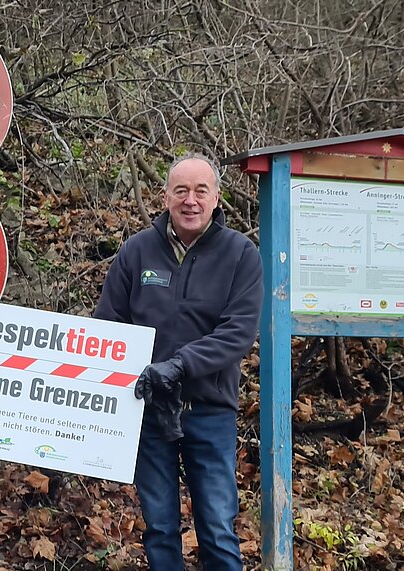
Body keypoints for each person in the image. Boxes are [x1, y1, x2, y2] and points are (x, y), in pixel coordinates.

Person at [94, 153, 263, 570]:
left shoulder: (241, 255)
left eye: (201, 191)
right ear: (166, 196)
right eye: (181, 191)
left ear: (216, 198)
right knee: (160, 528)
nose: (191, 200)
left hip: (209, 412)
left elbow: (236, 334)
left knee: (218, 530)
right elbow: (107, 324)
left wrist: (179, 365)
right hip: (148, 413)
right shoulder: (137, 251)